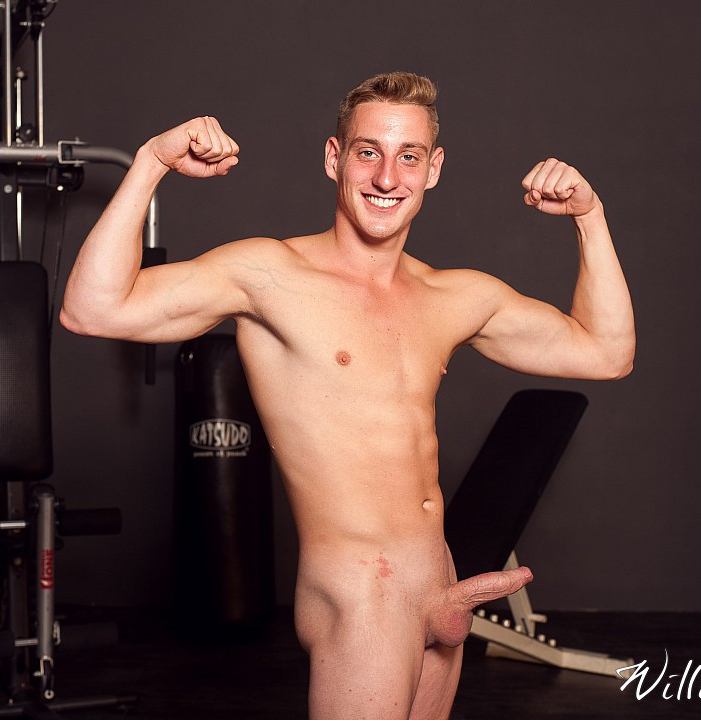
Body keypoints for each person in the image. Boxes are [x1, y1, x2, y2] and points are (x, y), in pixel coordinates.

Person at [61, 71, 635, 720]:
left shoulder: (455, 295)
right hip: (362, 594)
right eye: (368, 152)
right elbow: (92, 308)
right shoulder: (269, 275)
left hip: (441, 581)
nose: (387, 177)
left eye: (408, 157)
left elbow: (606, 353)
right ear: (335, 158)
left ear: (433, 169)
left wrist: (590, 217)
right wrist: (150, 163)